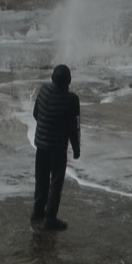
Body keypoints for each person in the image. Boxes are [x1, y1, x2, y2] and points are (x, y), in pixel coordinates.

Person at [31, 63, 81, 231]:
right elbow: (73, 128)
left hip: (41, 144)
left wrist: (47, 126)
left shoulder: (44, 90)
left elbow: (35, 114)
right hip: (58, 147)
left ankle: (37, 213)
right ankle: (50, 218)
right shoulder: (71, 100)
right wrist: (76, 148)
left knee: (41, 180)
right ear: (68, 82)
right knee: (56, 183)